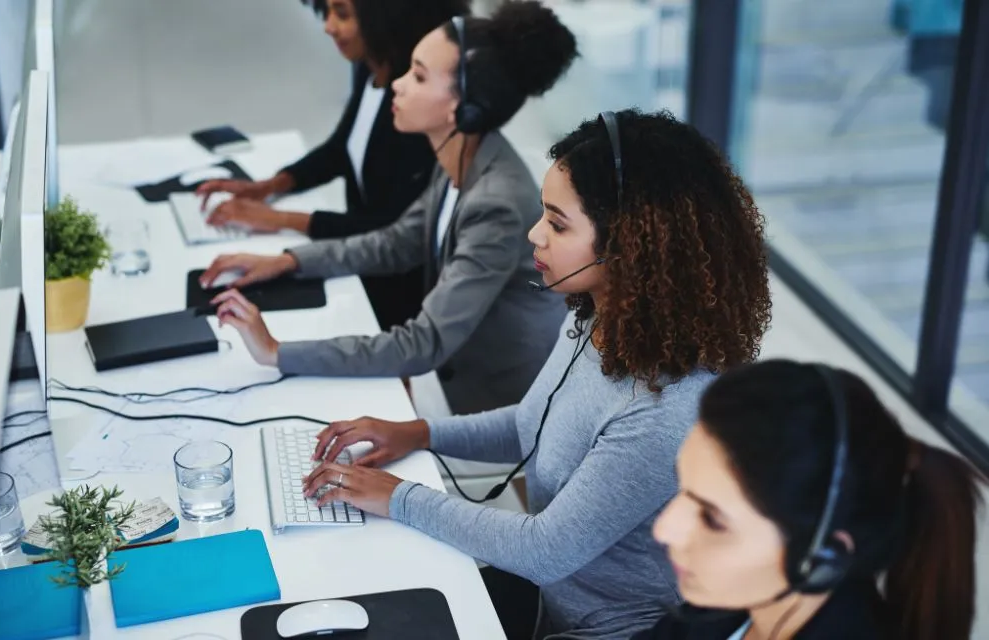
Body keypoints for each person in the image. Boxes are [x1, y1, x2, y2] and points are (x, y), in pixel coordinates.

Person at [298, 109, 773, 639]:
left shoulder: (666, 409)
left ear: (629, 245)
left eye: (557, 222)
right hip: (550, 601)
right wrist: (417, 433)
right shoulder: (600, 318)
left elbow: (543, 550)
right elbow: (532, 424)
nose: (535, 234)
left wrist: (395, 496)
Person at [201, 0, 578, 415]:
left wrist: (275, 350)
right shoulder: (460, 155)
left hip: (491, 404)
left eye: (417, 76)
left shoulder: (495, 203)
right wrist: (289, 261)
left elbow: (423, 343)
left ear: (463, 108)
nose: (397, 84)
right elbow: (396, 242)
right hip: (451, 377)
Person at [637, 360, 984, 640]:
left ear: (820, 558)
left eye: (713, 519)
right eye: (683, 487)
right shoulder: (723, 605)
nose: (665, 528)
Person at [195, 0, 471, 331]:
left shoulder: (412, 104)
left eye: (342, 13)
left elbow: (392, 229)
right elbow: (343, 147)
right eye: (325, 12)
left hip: (393, 288)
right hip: (358, 264)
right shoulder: (370, 66)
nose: (328, 26)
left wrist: (280, 219)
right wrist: (268, 187)